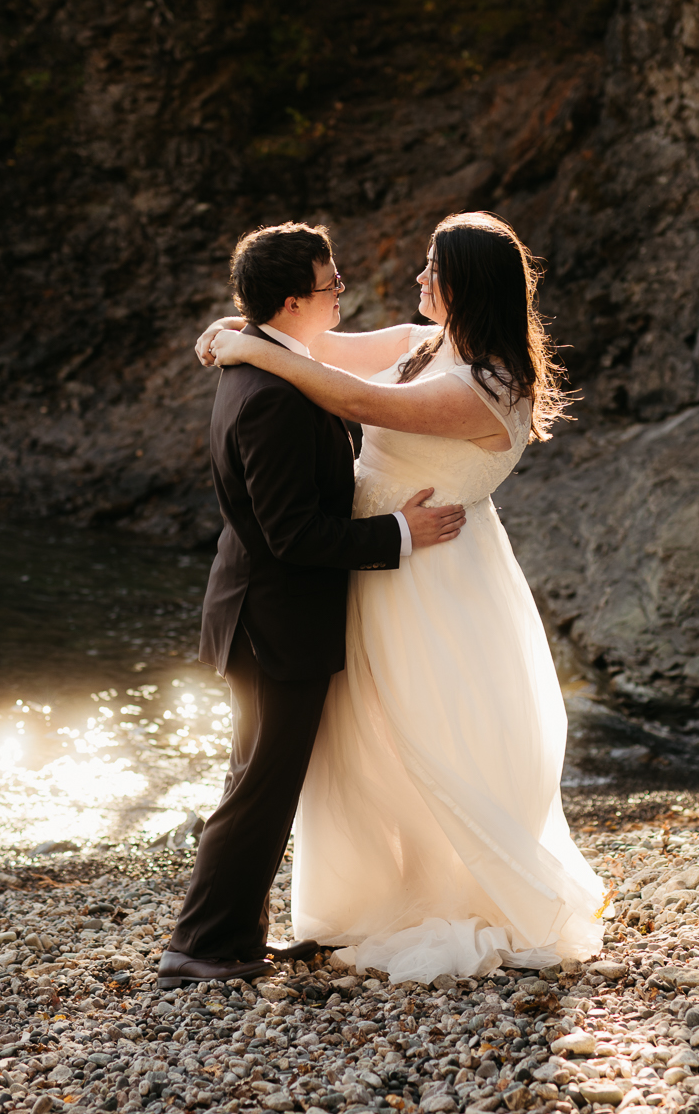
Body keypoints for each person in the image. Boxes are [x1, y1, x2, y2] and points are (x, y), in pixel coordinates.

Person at [197, 210, 604, 983]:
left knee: (427, 735)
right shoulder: (425, 345)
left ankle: (456, 892)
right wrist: (245, 326)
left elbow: (351, 399)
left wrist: (249, 344)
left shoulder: (490, 386)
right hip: (372, 561)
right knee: (364, 741)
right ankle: (371, 898)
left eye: (431, 272)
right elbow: (312, 345)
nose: (417, 281)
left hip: (429, 572)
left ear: (465, 287)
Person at [158, 222, 468, 990]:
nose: (341, 295)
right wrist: (400, 530)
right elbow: (294, 534)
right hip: (273, 620)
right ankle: (202, 944)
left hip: (263, 614)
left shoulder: (275, 368)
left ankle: (225, 937)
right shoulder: (272, 396)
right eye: (331, 286)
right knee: (262, 785)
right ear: (295, 299)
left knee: (253, 782)